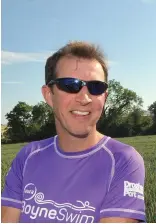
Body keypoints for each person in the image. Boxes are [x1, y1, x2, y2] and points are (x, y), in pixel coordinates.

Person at [1, 41, 146, 223]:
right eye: (70, 85)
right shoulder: (27, 157)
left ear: (105, 97)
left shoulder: (123, 161)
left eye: (96, 88)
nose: (84, 98)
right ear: (48, 95)